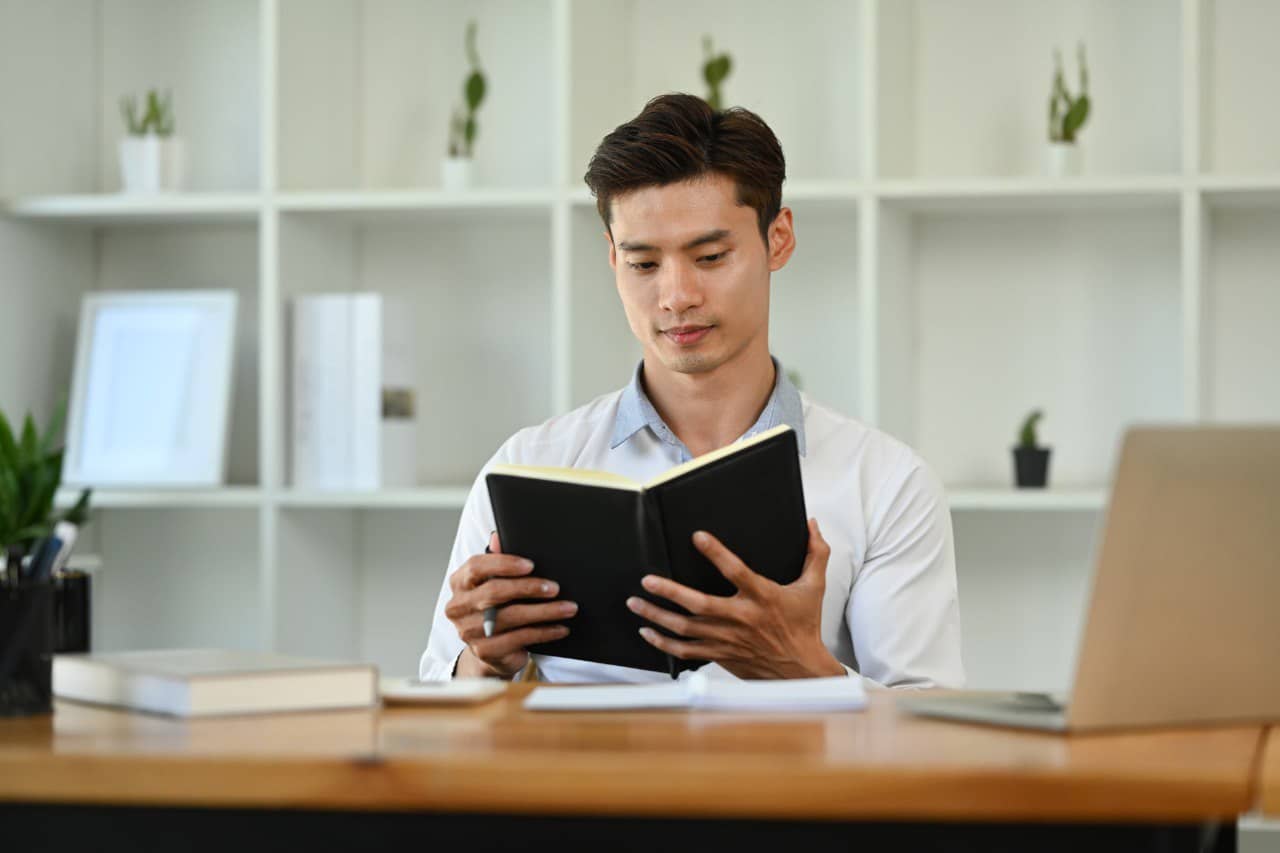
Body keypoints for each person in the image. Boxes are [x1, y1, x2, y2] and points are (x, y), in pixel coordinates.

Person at [420, 93, 963, 686]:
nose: (677, 296)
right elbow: (439, 718)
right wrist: (484, 661)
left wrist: (801, 669)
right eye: (644, 265)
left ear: (777, 239)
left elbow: (930, 737)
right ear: (612, 258)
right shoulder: (527, 467)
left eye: (709, 256)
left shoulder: (886, 484)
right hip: (582, 782)